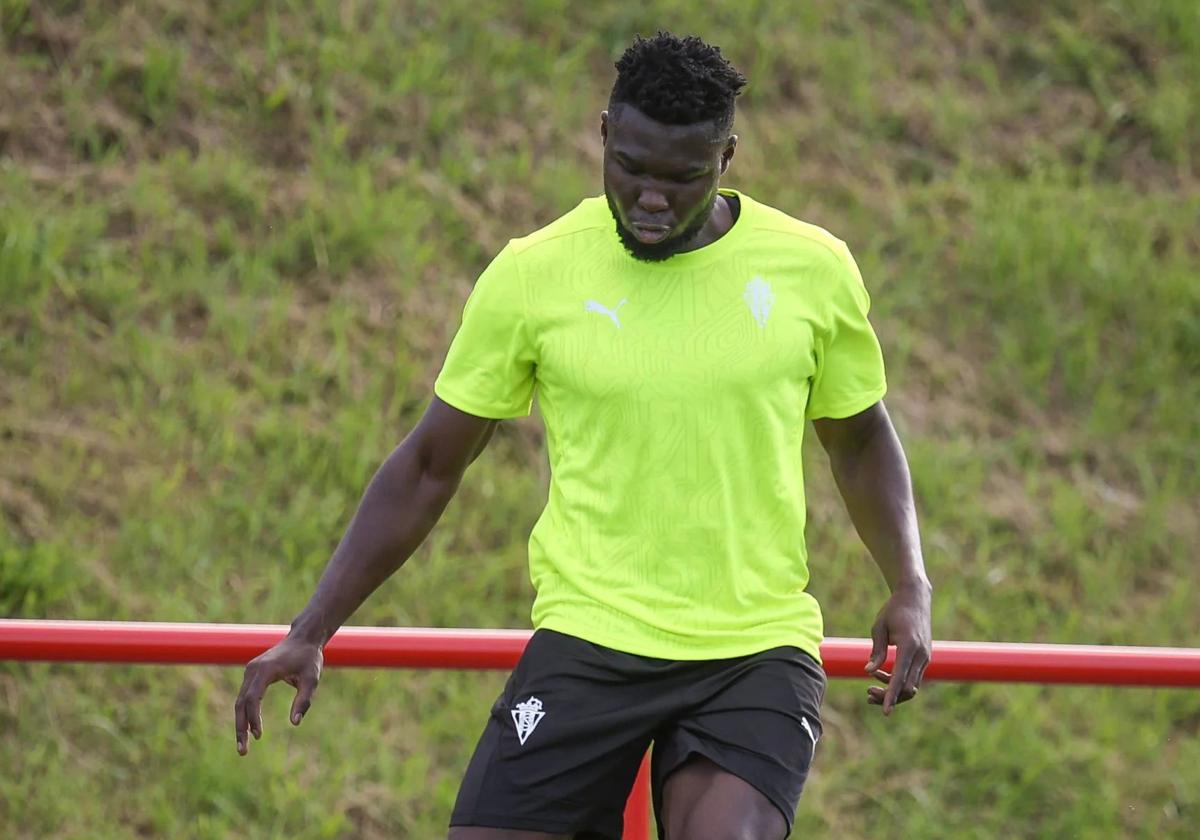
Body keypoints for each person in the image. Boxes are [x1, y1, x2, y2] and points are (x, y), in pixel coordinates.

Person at [234, 31, 933, 840]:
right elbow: (429, 466)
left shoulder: (812, 268)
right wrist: (310, 629)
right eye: (631, 168)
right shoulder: (535, 274)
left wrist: (909, 583)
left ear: (728, 156)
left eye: (682, 178)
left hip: (752, 650)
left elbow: (859, 437)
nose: (652, 199)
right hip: (589, 640)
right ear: (603, 133)